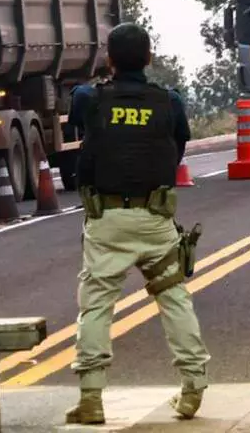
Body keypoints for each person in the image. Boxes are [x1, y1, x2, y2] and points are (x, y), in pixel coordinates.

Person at [68, 23, 210, 426]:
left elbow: (76, 108)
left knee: (95, 306)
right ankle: (193, 385)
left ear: (108, 59)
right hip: (155, 219)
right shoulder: (170, 101)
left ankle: (91, 397)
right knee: (174, 298)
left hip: (107, 219)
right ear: (149, 57)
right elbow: (179, 143)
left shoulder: (90, 99)